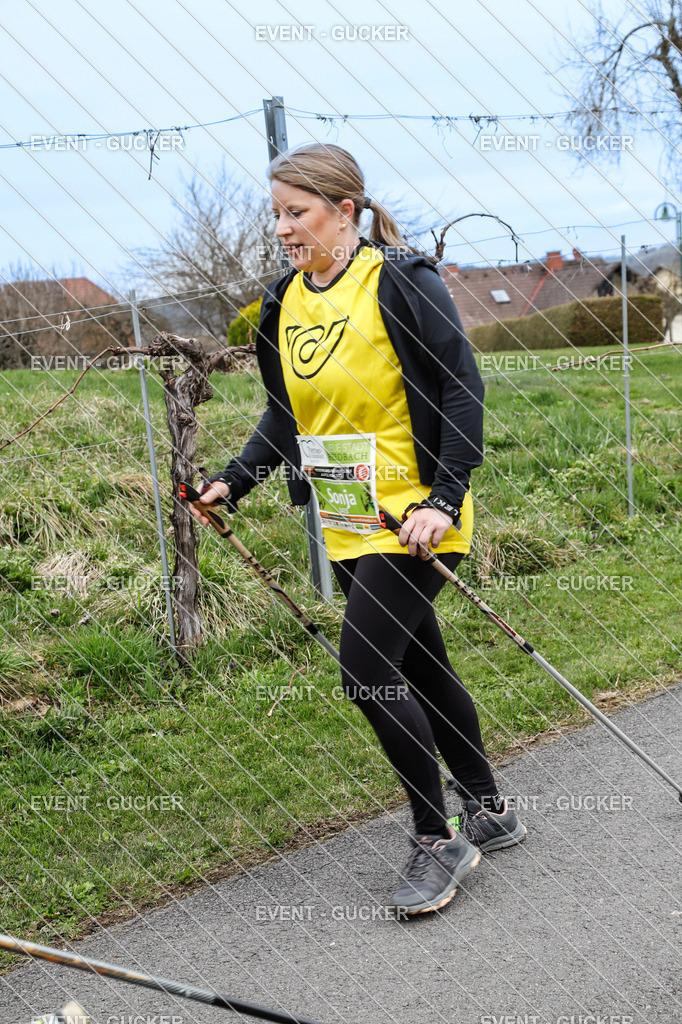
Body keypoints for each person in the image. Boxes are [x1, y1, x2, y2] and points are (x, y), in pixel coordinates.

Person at [190, 143, 526, 916]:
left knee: (367, 671)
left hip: (415, 515)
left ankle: (438, 838)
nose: (281, 228)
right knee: (420, 663)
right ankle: (489, 807)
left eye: (296, 212)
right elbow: (286, 413)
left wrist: (444, 497)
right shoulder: (285, 302)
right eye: (275, 213)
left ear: (345, 210)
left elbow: (460, 389)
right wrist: (234, 481)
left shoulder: (403, 283)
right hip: (345, 517)